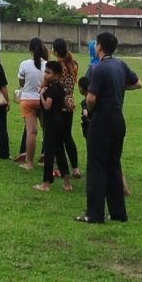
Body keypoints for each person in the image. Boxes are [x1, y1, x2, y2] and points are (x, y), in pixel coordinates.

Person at [76, 31, 142, 225]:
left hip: (102, 119)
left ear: (99, 47)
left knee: (96, 166)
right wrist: (118, 87)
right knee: (113, 165)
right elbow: (138, 84)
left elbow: (90, 98)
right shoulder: (120, 64)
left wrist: (90, 111)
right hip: (118, 119)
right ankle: (118, 212)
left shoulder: (98, 69)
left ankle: (94, 213)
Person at [32, 60, 72, 192]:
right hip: (60, 120)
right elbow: (65, 103)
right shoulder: (60, 87)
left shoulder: (51, 89)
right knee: (60, 151)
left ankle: (45, 184)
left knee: (49, 152)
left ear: (56, 75)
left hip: (51, 122)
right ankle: (67, 183)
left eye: (48, 73)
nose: (45, 75)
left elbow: (47, 106)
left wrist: (41, 94)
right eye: (45, 72)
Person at [51, 37, 82, 178]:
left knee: (57, 138)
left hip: (58, 103)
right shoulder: (73, 64)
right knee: (68, 136)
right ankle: (75, 168)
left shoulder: (57, 66)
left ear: (55, 51)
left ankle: (62, 169)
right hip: (69, 102)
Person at [16, 38, 47, 170]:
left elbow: (21, 83)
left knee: (31, 132)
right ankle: (46, 157)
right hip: (43, 100)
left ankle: (29, 163)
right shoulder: (48, 65)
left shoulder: (24, 64)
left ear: (30, 49)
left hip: (28, 100)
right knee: (46, 130)